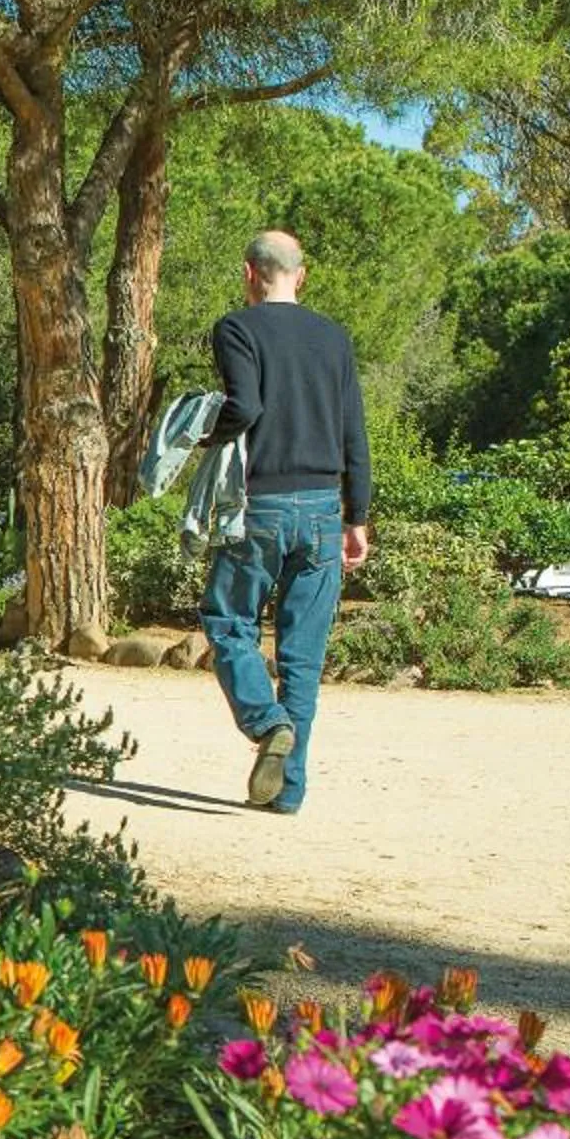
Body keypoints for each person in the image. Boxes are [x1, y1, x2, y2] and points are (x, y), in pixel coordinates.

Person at [200, 230, 371, 813]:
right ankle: (288, 792)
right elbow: (354, 434)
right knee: (302, 655)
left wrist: (205, 432)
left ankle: (266, 720)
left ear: (250, 272)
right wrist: (359, 517)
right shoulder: (334, 338)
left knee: (227, 621)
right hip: (324, 508)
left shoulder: (237, 329)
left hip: (262, 506)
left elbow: (245, 407)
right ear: (301, 275)